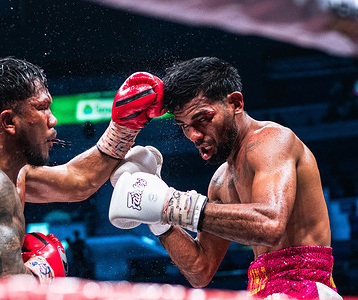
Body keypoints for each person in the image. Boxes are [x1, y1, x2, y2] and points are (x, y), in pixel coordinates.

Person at [108, 57, 342, 299]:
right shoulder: (220, 181)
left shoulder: (272, 140)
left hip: (305, 287)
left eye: (202, 119)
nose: (194, 135)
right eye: (184, 126)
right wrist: (158, 216)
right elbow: (200, 270)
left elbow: (269, 225)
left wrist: (170, 204)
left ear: (235, 103)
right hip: (261, 290)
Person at [0, 57, 165, 283]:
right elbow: (10, 292)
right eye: (42, 107)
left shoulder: (11, 172)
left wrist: (124, 126)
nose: (53, 119)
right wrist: (43, 268)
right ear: (9, 122)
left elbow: (78, 181)